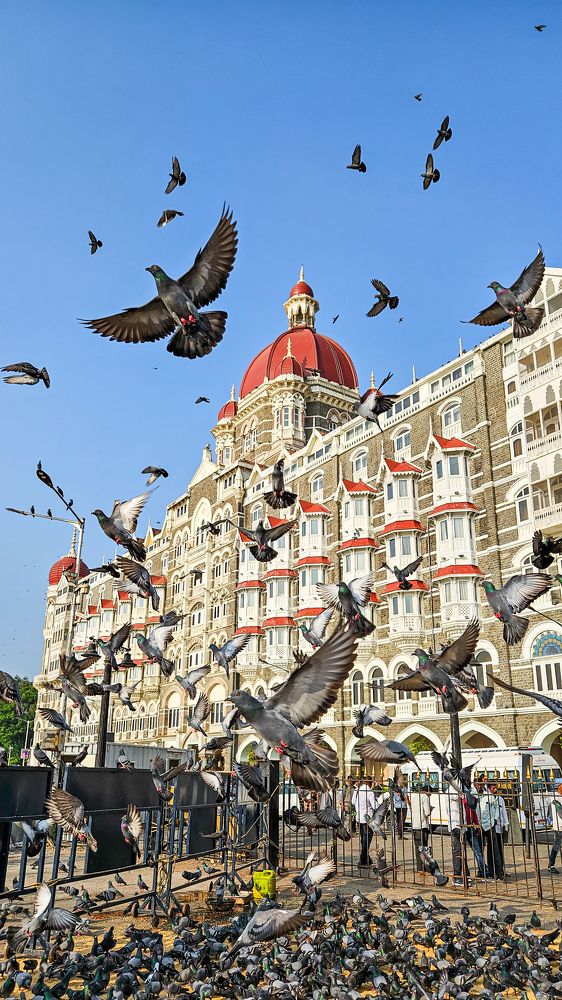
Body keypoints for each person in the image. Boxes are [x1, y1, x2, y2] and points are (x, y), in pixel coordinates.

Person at [480, 782, 509, 880]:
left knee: (500, 851)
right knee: (491, 851)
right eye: (492, 788)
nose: (495, 790)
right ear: (488, 788)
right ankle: (493, 872)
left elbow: (504, 812)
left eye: (495, 788)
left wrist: (506, 825)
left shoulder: (500, 799)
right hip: (490, 827)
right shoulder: (485, 798)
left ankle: (501, 870)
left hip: (499, 827)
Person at [352, 777, 377, 866]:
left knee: (363, 838)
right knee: (367, 839)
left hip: (359, 818)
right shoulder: (369, 792)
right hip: (368, 818)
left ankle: (366, 858)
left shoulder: (358, 790)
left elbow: (353, 802)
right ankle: (363, 859)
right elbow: (374, 806)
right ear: (370, 783)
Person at [462, 792, 485, 879]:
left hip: (467, 826)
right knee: (477, 850)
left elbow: (474, 814)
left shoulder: (464, 802)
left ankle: (480, 869)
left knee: (468, 851)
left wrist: (477, 825)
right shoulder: (468, 802)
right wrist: (477, 825)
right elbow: (474, 814)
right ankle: (482, 869)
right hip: (469, 826)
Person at [409, 784, 432, 871]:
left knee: (417, 848)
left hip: (415, 825)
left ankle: (419, 867)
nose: (430, 795)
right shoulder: (425, 797)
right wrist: (430, 809)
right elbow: (427, 812)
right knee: (424, 847)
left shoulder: (415, 797)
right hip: (422, 826)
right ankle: (425, 866)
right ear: (427, 791)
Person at [547, 782, 562, 873]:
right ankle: (551, 865)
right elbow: (560, 813)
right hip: (559, 826)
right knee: (556, 846)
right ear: (559, 786)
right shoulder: (555, 798)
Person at [393, 774, 409, 839]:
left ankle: (399, 835)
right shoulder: (404, 788)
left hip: (397, 806)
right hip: (403, 806)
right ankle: (401, 835)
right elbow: (406, 797)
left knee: (398, 820)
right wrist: (410, 805)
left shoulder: (394, 788)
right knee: (402, 821)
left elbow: (392, 796)